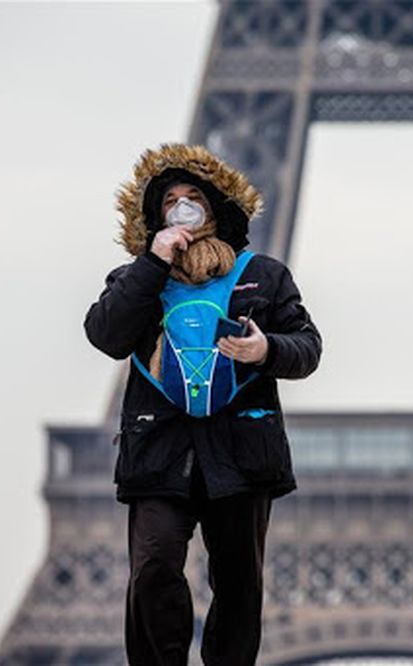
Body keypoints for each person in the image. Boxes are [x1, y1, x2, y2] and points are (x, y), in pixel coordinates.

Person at [83, 143, 322, 665]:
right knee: (153, 569)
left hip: (239, 452)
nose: (184, 206)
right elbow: (106, 335)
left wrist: (266, 350)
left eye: (195, 196)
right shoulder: (136, 278)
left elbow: (308, 349)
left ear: (217, 208)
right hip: (161, 452)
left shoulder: (264, 275)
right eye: (171, 200)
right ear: (156, 214)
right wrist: (153, 261)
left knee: (239, 583)